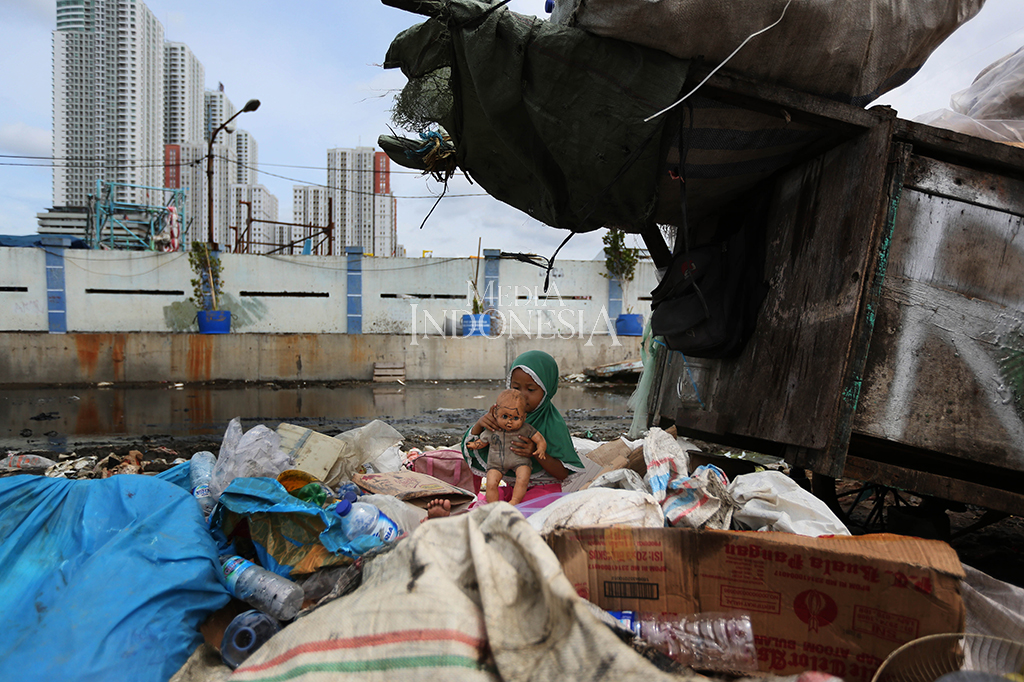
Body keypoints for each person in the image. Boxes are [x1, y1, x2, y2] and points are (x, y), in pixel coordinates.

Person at [426, 350, 584, 518]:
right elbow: (476, 446)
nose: (521, 395)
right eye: (515, 387)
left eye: (531, 389)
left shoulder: (552, 424)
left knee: (521, 516)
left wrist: (535, 453)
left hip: (543, 491)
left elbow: (562, 473)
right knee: (485, 507)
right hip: (511, 490)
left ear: (547, 390)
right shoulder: (505, 416)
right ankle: (449, 520)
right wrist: (480, 424)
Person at [467, 388, 547, 505]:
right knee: (491, 482)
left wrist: (541, 448)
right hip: (496, 463)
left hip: (520, 462)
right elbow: (483, 441)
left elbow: (539, 438)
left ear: (523, 418)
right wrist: (474, 445)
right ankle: (493, 504)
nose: (509, 422)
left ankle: (515, 500)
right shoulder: (493, 429)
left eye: (515, 418)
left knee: (523, 478)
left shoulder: (526, 429)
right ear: (495, 413)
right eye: (505, 416)